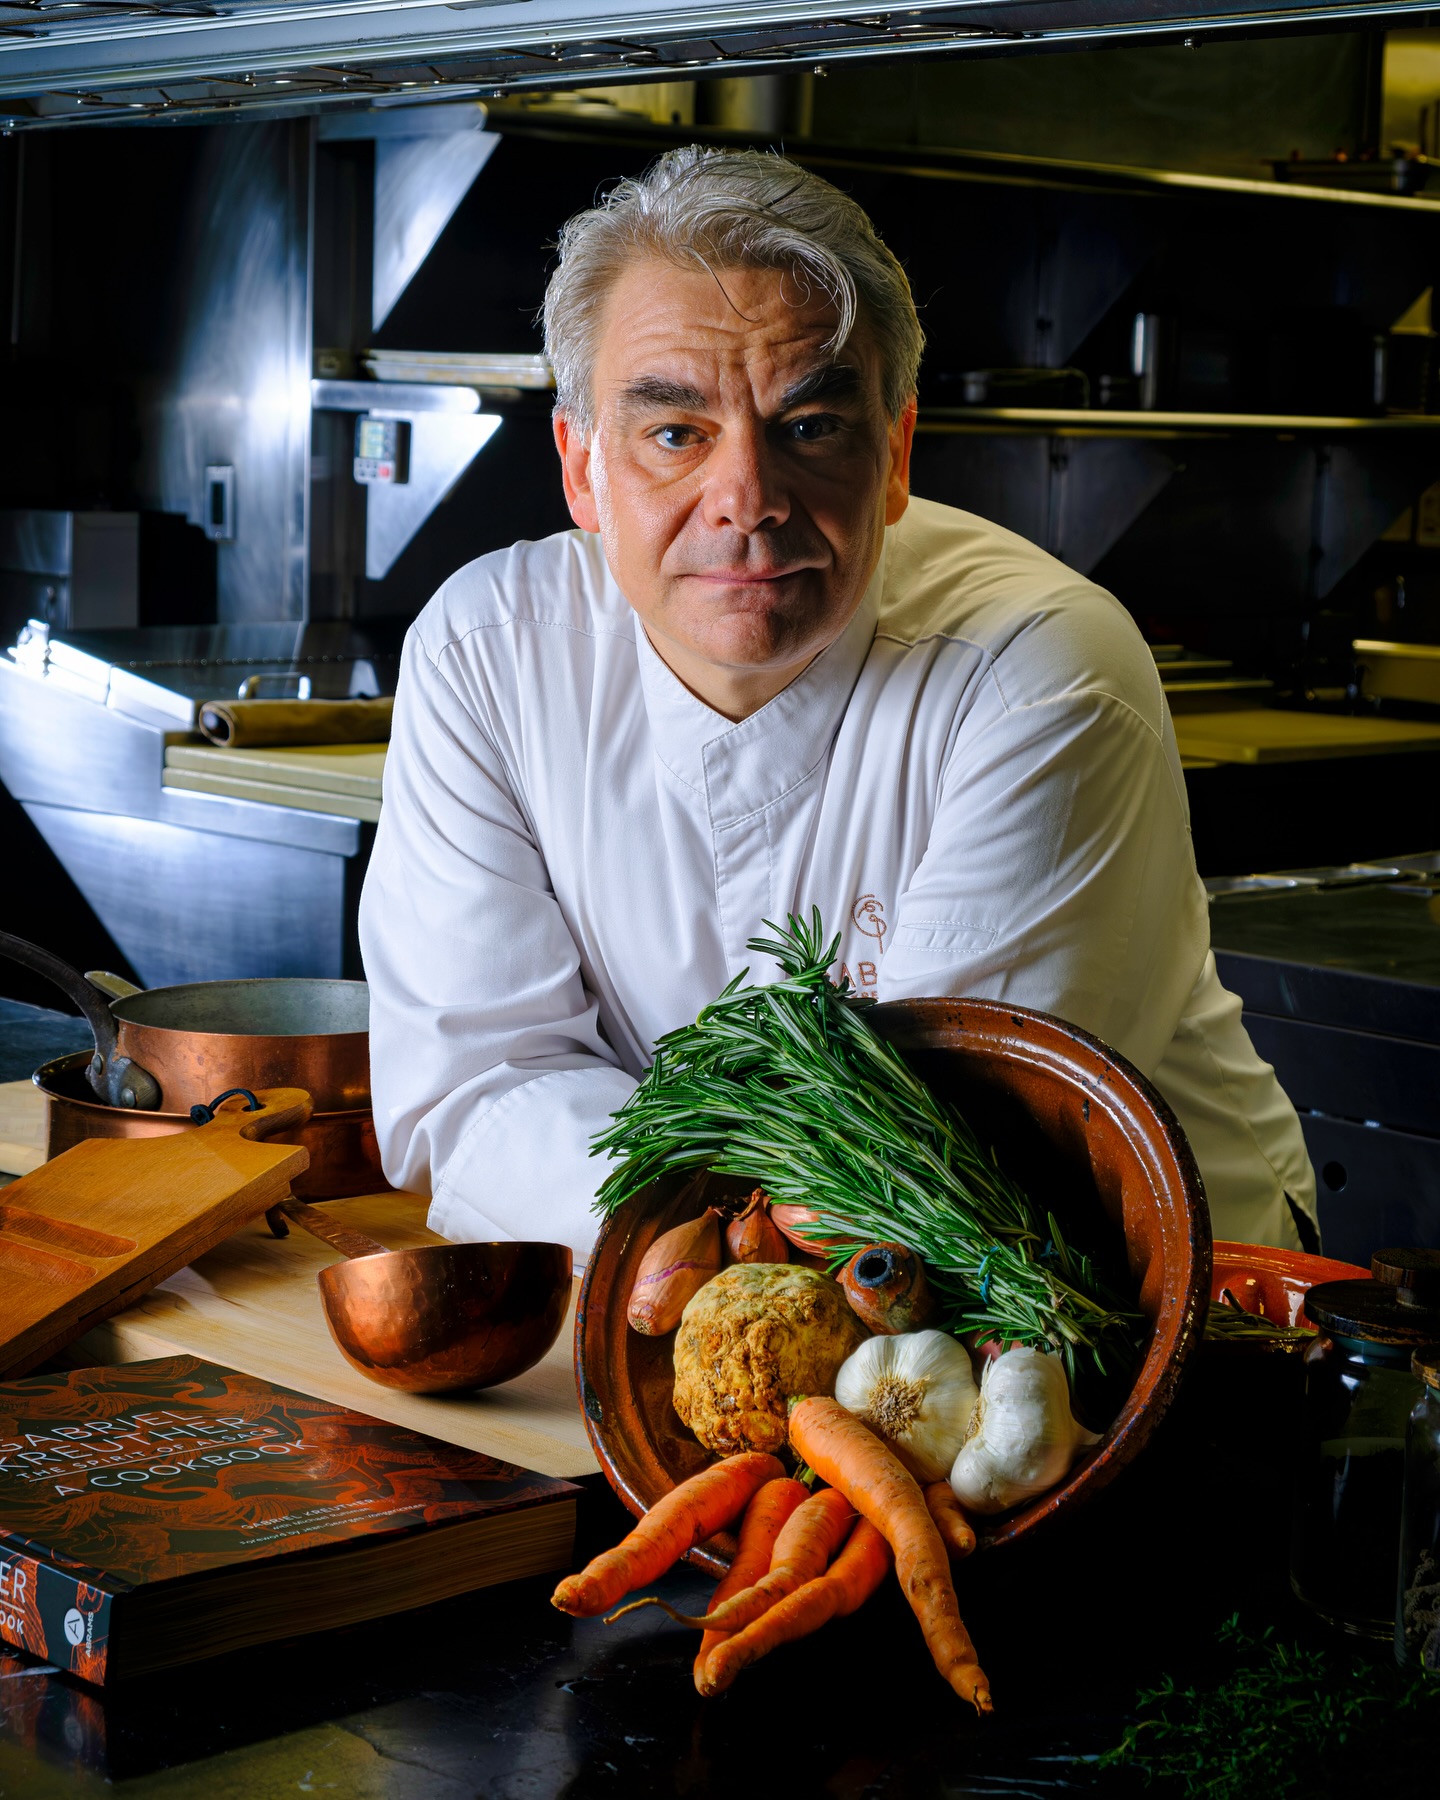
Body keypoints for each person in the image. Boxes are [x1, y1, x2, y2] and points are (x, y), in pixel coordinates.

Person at [359, 145, 1317, 1263]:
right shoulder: (488, 658)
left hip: (1148, 1298)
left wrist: (684, 1239)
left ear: (897, 452)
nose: (747, 501)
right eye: (677, 433)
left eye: (809, 428)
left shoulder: (1040, 668)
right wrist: (704, 1257)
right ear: (582, 468)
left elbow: (927, 1149)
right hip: (709, 1318)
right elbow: (475, 1090)